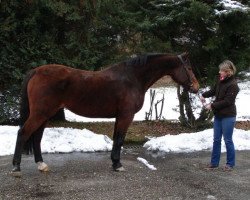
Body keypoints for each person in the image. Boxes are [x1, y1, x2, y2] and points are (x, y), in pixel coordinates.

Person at [200, 60, 239, 171]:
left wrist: (212, 105)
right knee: (216, 140)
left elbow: (227, 101)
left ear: (228, 71)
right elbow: (214, 91)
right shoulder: (221, 81)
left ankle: (230, 164)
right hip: (219, 116)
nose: (219, 72)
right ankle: (214, 163)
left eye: (222, 70)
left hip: (228, 116)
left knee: (227, 140)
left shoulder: (233, 85)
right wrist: (203, 95)